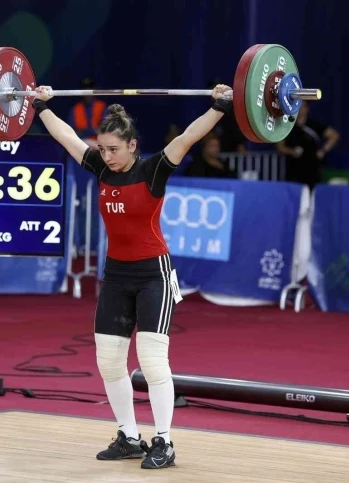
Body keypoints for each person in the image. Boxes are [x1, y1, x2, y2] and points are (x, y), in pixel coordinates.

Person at [30, 83, 233, 470]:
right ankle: (128, 436)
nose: (106, 156)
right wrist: (41, 106)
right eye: (102, 149)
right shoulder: (100, 167)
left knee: (152, 362)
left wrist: (220, 106)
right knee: (109, 361)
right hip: (116, 276)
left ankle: (164, 442)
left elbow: (188, 137)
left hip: (154, 274)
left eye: (113, 149)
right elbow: (67, 137)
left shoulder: (152, 169)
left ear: (133, 145)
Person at [276, 102, 340, 189]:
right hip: (293, 169)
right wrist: (292, 152)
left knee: (311, 192)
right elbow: (280, 147)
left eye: (302, 107)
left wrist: (323, 151)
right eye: (298, 107)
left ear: (307, 109)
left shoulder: (314, 125)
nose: (300, 110)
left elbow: (334, 136)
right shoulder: (287, 126)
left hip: (312, 168)